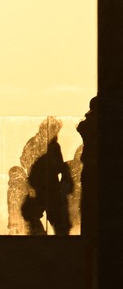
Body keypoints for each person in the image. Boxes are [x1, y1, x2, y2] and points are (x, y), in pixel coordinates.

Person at [27, 132, 73, 235]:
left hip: (47, 188)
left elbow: (59, 166)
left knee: (52, 216)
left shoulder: (48, 148)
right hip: (44, 188)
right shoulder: (40, 146)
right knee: (42, 215)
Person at [76, 97, 97, 234]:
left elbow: (81, 126)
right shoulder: (95, 125)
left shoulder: (86, 125)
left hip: (90, 168)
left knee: (88, 203)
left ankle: (88, 234)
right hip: (95, 169)